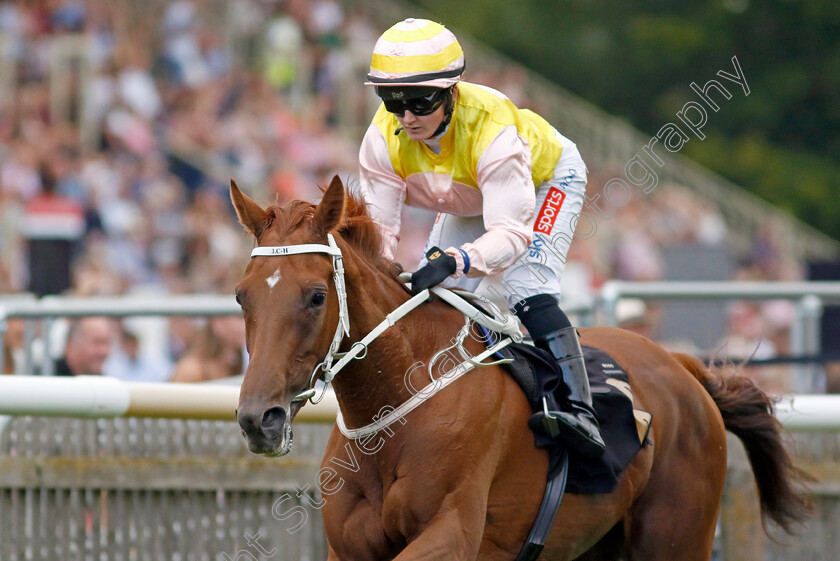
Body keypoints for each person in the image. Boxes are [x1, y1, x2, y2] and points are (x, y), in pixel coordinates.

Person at [358, 19, 604, 457]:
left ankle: (580, 410)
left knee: (527, 286)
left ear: (452, 93)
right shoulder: (382, 136)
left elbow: (510, 235)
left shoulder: (494, 132)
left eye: (419, 101)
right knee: (440, 294)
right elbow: (380, 234)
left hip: (546, 179)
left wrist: (457, 259)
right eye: (392, 101)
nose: (407, 117)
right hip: (472, 193)